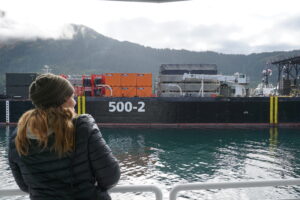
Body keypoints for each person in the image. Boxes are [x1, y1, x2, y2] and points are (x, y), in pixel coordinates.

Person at [8, 73, 120, 200]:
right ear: (61, 100)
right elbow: (110, 176)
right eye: (72, 97)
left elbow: (24, 186)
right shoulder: (82, 126)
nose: (74, 102)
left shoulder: (17, 138)